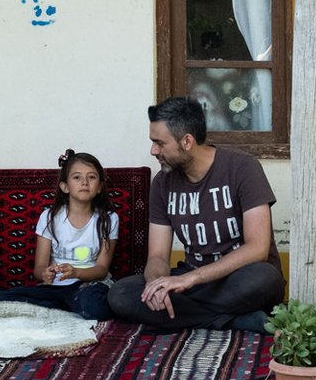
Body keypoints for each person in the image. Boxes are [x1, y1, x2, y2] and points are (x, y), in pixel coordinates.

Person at [107, 96, 285, 332]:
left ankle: (181, 318)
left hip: (238, 279)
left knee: (265, 279)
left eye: (159, 143)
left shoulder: (243, 168)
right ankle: (235, 320)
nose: (153, 150)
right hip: (193, 283)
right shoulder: (162, 183)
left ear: (187, 141)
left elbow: (257, 249)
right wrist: (156, 286)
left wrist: (191, 279)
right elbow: (158, 257)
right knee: (120, 294)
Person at [0, 149, 119, 320]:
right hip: (56, 287)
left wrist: (76, 273)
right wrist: (45, 274)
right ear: (65, 187)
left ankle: (58, 310)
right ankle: (64, 308)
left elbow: (102, 270)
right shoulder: (49, 217)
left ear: (99, 188)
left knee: (97, 309)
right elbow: (39, 268)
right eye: (77, 177)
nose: (84, 182)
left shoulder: (108, 219)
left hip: (87, 286)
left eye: (92, 177)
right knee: (1, 299)